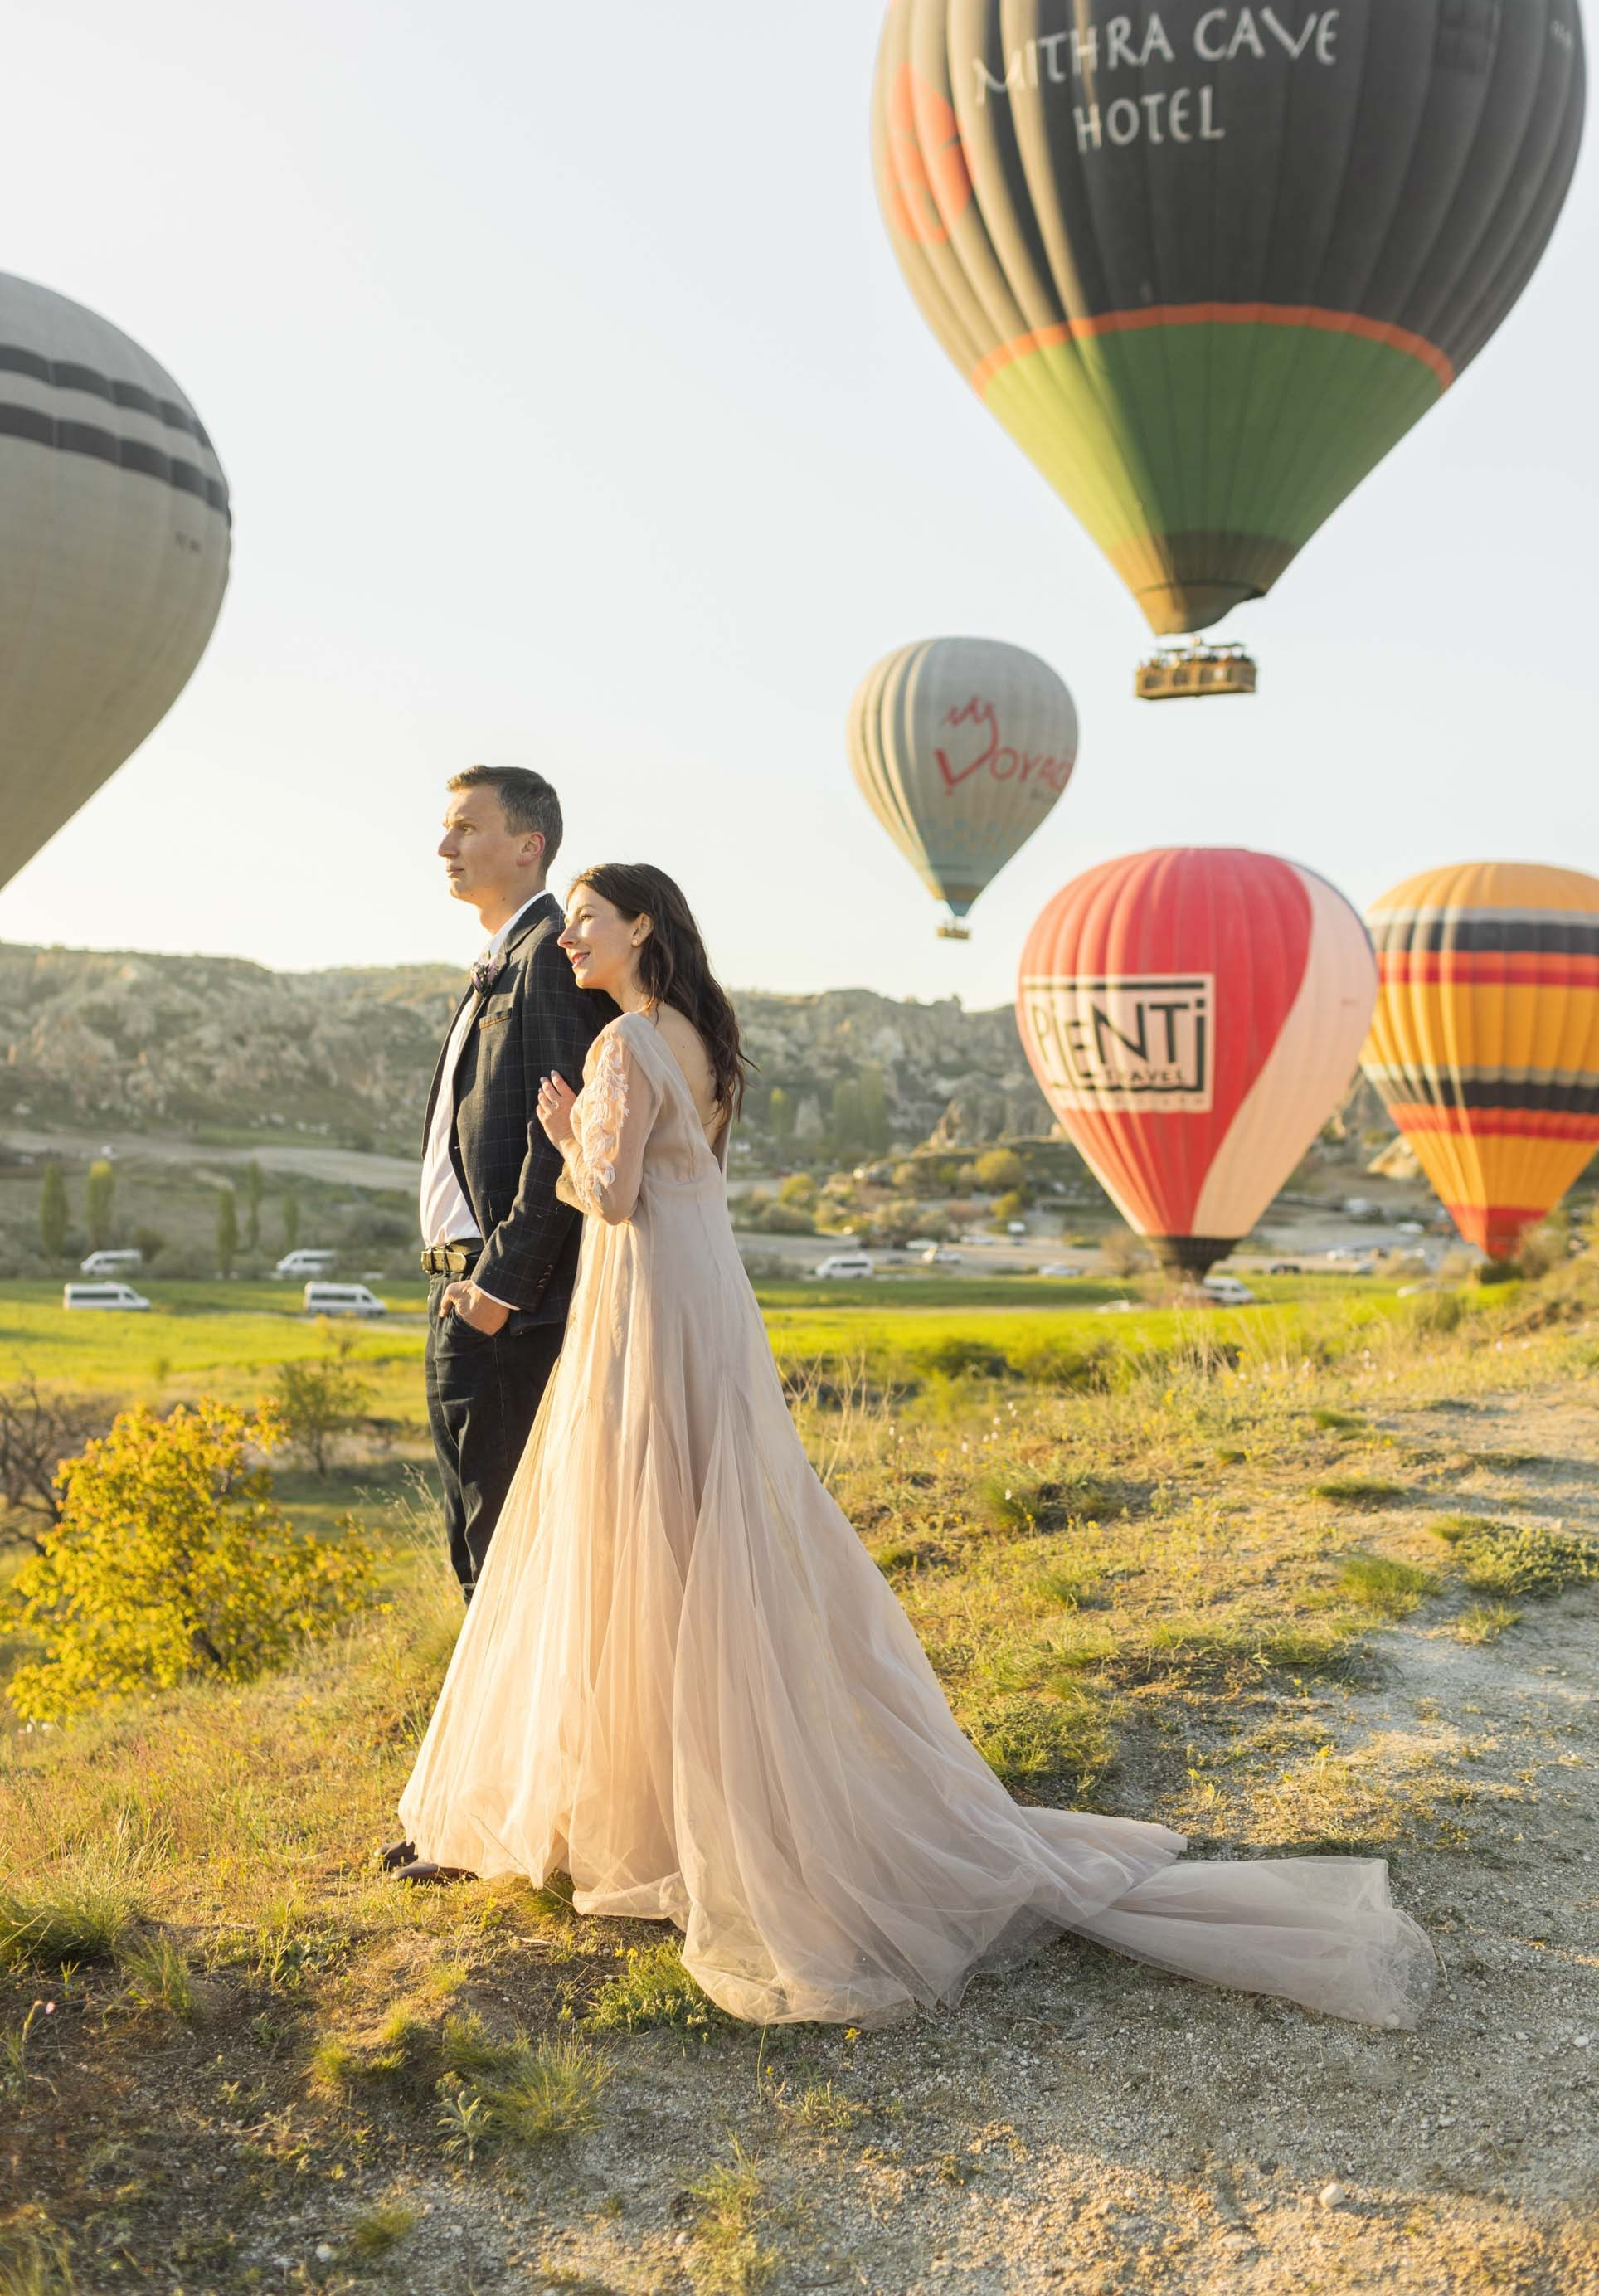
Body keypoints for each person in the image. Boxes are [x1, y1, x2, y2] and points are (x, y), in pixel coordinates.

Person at [397, 864, 1436, 2028]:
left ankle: (643, 1809)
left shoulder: (622, 1047)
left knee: (642, 1525)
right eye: (570, 924)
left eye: (588, 923)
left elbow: (622, 1196)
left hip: (643, 1301)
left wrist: (561, 1140)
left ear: (642, 927)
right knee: (706, 1525)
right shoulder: (698, 1037)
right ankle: (690, 1794)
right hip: (708, 1305)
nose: (572, 942)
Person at [417, 766, 612, 1597]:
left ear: (529, 847)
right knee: (478, 1531)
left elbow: (557, 1143)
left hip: (505, 1306)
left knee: (504, 1550)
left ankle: (528, 1730)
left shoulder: (548, 960)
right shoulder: (506, 961)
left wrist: (497, 1286)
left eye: (467, 828)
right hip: (466, 1290)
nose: (444, 846)